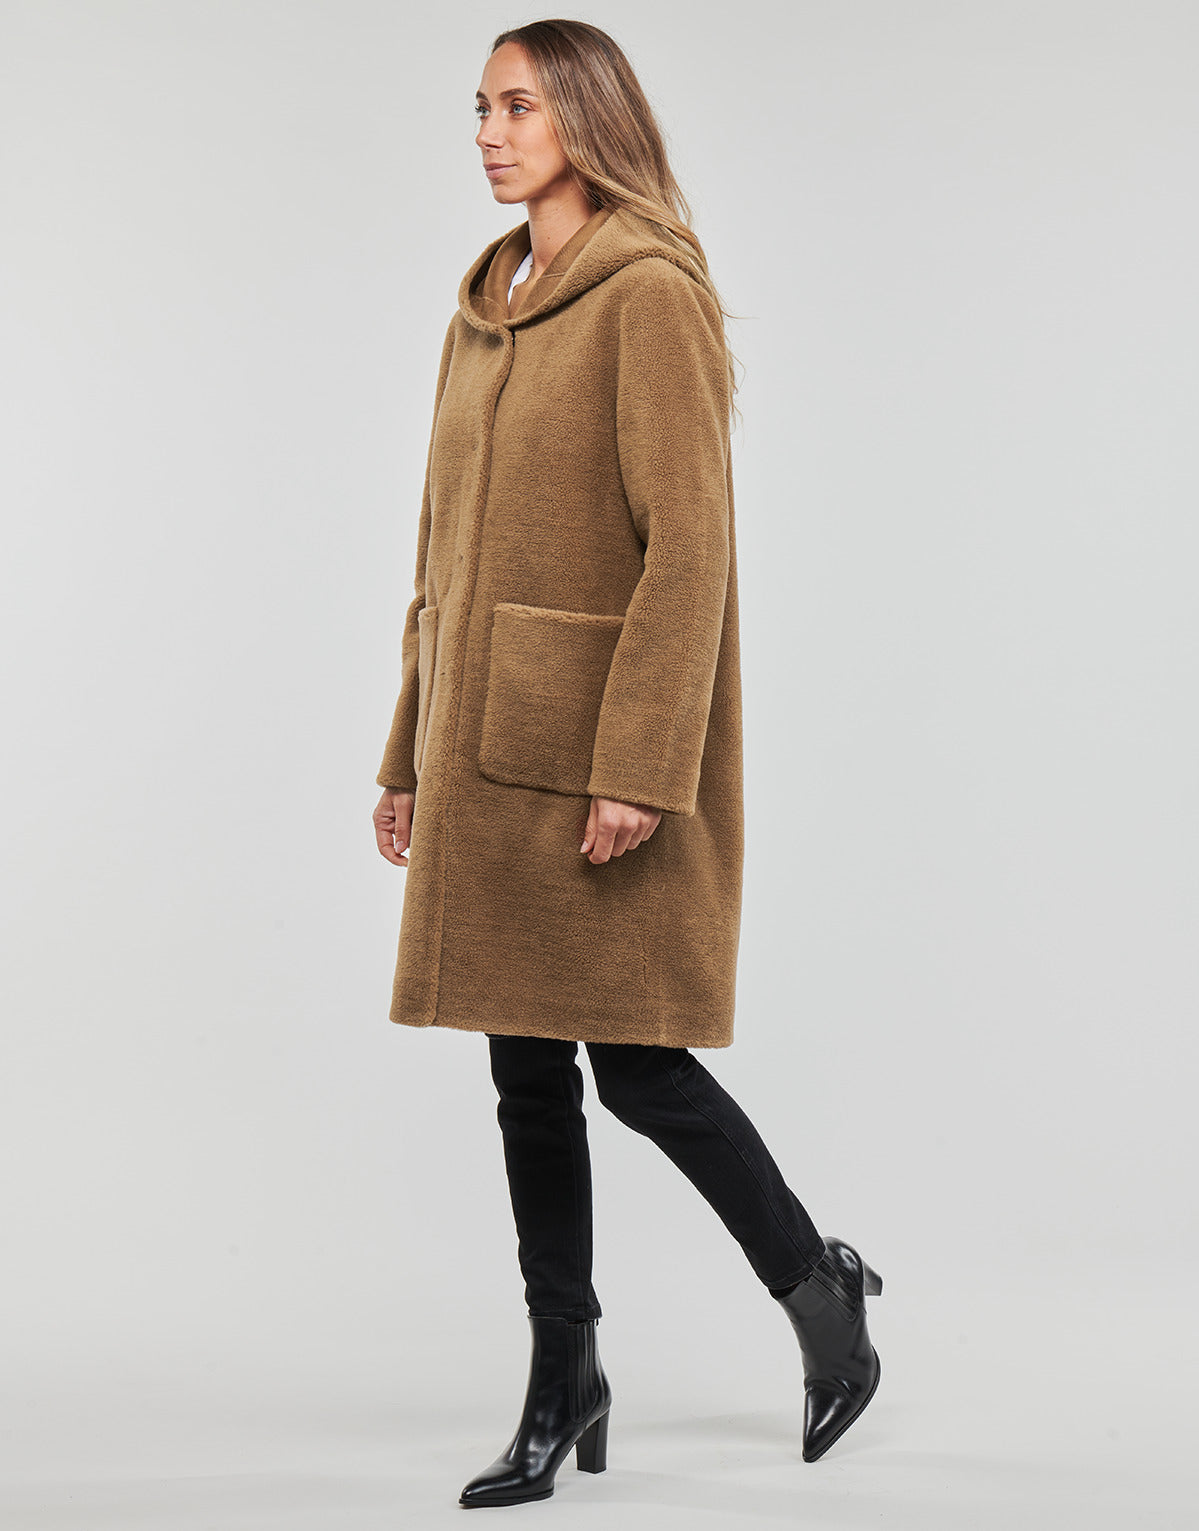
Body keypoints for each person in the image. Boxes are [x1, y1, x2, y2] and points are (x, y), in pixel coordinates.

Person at [371, 18, 883, 1509]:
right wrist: (405, 750)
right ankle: (565, 1374)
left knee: (641, 1067)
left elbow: (690, 552)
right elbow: (438, 558)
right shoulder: (485, 309)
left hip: (592, 751)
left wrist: (643, 767)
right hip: (480, 755)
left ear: (587, 118)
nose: (489, 132)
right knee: (524, 1076)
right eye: (480, 108)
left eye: (519, 106)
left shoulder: (649, 295)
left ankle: (820, 1293)